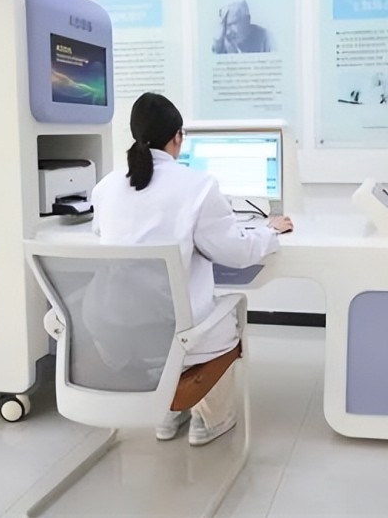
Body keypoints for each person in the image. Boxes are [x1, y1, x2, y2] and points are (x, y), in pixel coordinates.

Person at [90, 92, 293, 445]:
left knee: (165, 310)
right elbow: (237, 252)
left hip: (117, 333)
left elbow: (104, 237)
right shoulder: (198, 186)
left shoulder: (106, 187)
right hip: (180, 338)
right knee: (225, 310)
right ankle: (210, 418)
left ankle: (167, 412)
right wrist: (269, 232)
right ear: (177, 137)